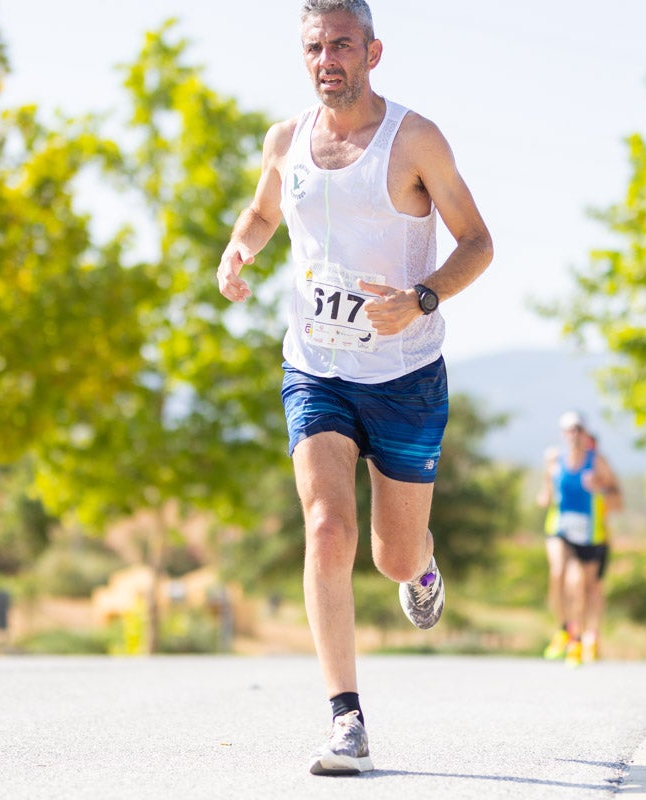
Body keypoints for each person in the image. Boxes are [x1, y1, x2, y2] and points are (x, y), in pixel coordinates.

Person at [216, 0, 492, 776]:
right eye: (314, 45)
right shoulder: (286, 140)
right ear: (302, 55)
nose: (326, 57)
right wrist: (238, 252)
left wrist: (422, 298)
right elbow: (264, 211)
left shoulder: (416, 140)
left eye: (342, 43)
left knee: (393, 558)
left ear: (374, 52)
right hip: (316, 366)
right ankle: (347, 720)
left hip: (404, 375)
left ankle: (424, 563)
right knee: (327, 528)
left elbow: (479, 242)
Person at [537, 411, 622, 667]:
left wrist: (600, 486)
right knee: (558, 572)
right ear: (564, 434)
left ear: (585, 433)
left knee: (584, 588)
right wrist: (546, 481)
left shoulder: (597, 462)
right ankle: (563, 629)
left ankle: (579, 637)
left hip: (590, 533)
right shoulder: (554, 462)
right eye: (569, 431)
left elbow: (616, 493)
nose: (574, 435)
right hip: (560, 528)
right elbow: (545, 498)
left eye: (578, 430)